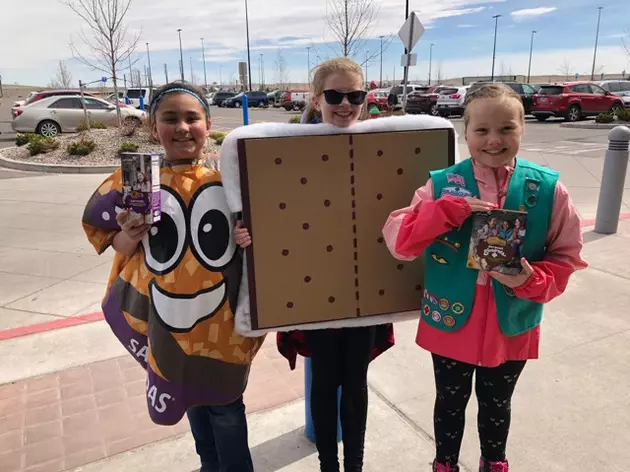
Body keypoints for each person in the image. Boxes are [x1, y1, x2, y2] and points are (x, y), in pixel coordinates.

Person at [382, 83, 587, 472]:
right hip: (451, 319)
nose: (494, 140)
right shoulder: (441, 185)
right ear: (466, 133)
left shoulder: (546, 189)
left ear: (522, 130)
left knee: (497, 404)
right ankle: (444, 464)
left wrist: (529, 279)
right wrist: (443, 212)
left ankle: (494, 463)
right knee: (449, 402)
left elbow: (567, 257)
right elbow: (400, 243)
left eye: (506, 129)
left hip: (511, 323)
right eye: (482, 130)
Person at [82, 82, 265, 472]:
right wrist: (128, 236)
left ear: (208, 124)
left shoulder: (228, 178)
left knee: (227, 406)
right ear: (154, 128)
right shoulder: (136, 181)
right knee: (191, 397)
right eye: (170, 118)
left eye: (191, 117)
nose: (182, 127)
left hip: (223, 323)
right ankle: (209, 465)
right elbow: (111, 242)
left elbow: (262, 232)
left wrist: (245, 235)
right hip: (167, 322)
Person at [236, 57, 395, 472]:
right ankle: (329, 465)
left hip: (363, 286)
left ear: (366, 98)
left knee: (356, 386)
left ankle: (354, 466)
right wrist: (247, 232)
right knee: (324, 385)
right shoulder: (289, 150)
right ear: (316, 98)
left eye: (355, 96)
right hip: (314, 290)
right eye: (335, 95)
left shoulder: (379, 144)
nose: (345, 104)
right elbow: (272, 210)